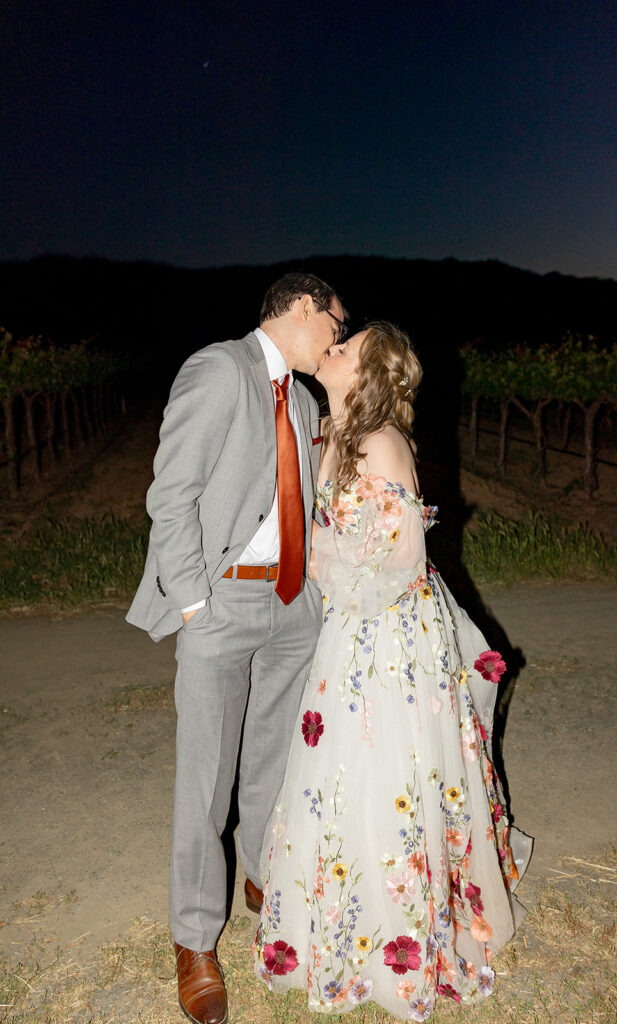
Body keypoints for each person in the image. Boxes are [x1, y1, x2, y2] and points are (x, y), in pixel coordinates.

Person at [253, 322, 532, 1020]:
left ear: (367, 372)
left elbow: (403, 558)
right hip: (348, 626)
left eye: (347, 347)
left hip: (387, 633)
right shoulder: (334, 436)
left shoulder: (381, 442)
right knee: (333, 768)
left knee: (384, 766)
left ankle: (399, 931)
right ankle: (339, 917)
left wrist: (338, 591)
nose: (335, 347)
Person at [126, 272, 347, 1024]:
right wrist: (194, 603)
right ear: (302, 308)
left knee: (275, 764)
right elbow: (171, 492)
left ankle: (263, 882)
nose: (337, 340)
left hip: (293, 605)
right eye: (335, 324)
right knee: (206, 776)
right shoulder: (221, 369)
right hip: (222, 600)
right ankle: (193, 940)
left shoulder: (311, 400)